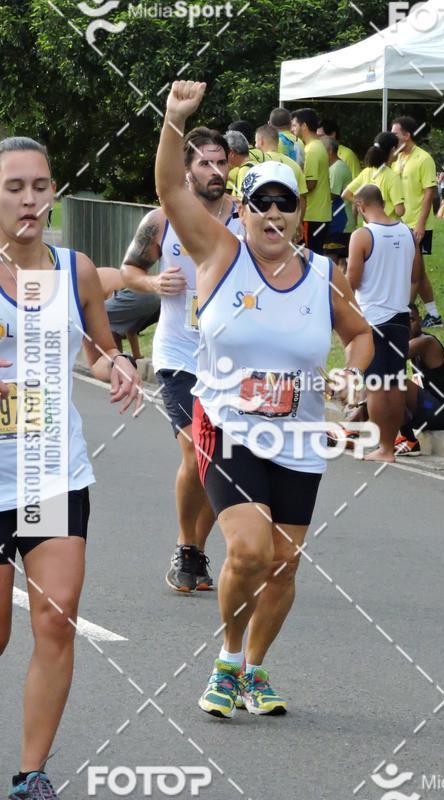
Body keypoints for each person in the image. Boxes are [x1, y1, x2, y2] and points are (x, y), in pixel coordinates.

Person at [156, 80, 372, 718]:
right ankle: (226, 659)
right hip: (227, 427)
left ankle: (255, 669)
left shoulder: (321, 277)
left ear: (298, 213)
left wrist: (353, 375)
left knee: (282, 565)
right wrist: (173, 119)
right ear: (241, 209)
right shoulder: (220, 255)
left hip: (297, 439)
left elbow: (359, 336)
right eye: (260, 205)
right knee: (249, 550)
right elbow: (171, 189)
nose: (272, 217)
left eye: (284, 205)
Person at [0, 136, 140, 800]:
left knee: (55, 619)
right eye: (14, 187)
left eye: (40, 185)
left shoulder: (74, 269)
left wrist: (119, 370)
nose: (30, 199)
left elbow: (98, 349)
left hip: (50, 473)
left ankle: (31, 775)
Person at [122, 126, 242, 593]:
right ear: (186, 171)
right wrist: (154, 285)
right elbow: (129, 270)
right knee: (196, 449)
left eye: (221, 163)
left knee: (221, 456)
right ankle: (185, 545)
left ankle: (195, 549)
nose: (216, 172)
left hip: (230, 360)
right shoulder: (161, 221)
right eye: (205, 164)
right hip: (178, 356)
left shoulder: (244, 220)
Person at [346, 184, 421, 463]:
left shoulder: (362, 236)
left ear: (361, 206)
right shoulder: (407, 232)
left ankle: (385, 448)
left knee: (376, 384)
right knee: (395, 382)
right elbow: (416, 275)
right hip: (400, 316)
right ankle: (389, 444)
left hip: (372, 318)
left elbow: (351, 280)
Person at [391, 116, 442, 328]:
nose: (392, 138)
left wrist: (421, 223)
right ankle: (431, 313)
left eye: (395, 134)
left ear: (407, 135)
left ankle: (415, 311)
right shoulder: (397, 158)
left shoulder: (424, 158)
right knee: (414, 271)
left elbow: (429, 191)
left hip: (416, 223)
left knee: (414, 271)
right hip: (399, 223)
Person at [394, 304, 444, 455]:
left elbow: (392, 356)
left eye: (412, 320)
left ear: (420, 320)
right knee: (382, 384)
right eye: (403, 322)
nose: (408, 325)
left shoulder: (426, 342)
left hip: (440, 412)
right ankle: (351, 428)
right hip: (424, 410)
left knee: (394, 382)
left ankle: (409, 439)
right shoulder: (410, 342)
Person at [235, 124, 307, 220]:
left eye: (256, 142)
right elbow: (302, 197)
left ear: (261, 141)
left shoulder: (256, 162)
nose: (256, 145)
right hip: (287, 221)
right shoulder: (294, 165)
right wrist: (298, 223)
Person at [290, 108, 332, 254]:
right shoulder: (316, 146)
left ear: (304, 126)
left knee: (309, 257)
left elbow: (311, 184)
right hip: (319, 214)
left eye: (294, 125)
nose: (292, 129)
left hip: (312, 215)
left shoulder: (311, 150)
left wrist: (293, 191)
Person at [97, 268, 160, 361]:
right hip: (154, 296)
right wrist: (137, 355)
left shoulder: (84, 283)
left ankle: (117, 362)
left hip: (134, 293)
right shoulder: (98, 275)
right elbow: (130, 329)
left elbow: (107, 324)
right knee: (119, 324)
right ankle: (123, 359)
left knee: (98, 317)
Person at [342, 132, 405, 223]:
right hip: (387, 228)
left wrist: (365, 204)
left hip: (370, 227)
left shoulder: (366, 172)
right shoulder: (392, 176)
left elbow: (346, 194)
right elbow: (400, 211)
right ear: (393, 150)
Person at [322, 136, 354, 267]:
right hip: (340, 221)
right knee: (341, 262)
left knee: (332, 258)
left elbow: (332, 195)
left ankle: (333, 286)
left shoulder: (336, 169)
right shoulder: (335, 167)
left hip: (339, 222)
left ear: (329, 151)